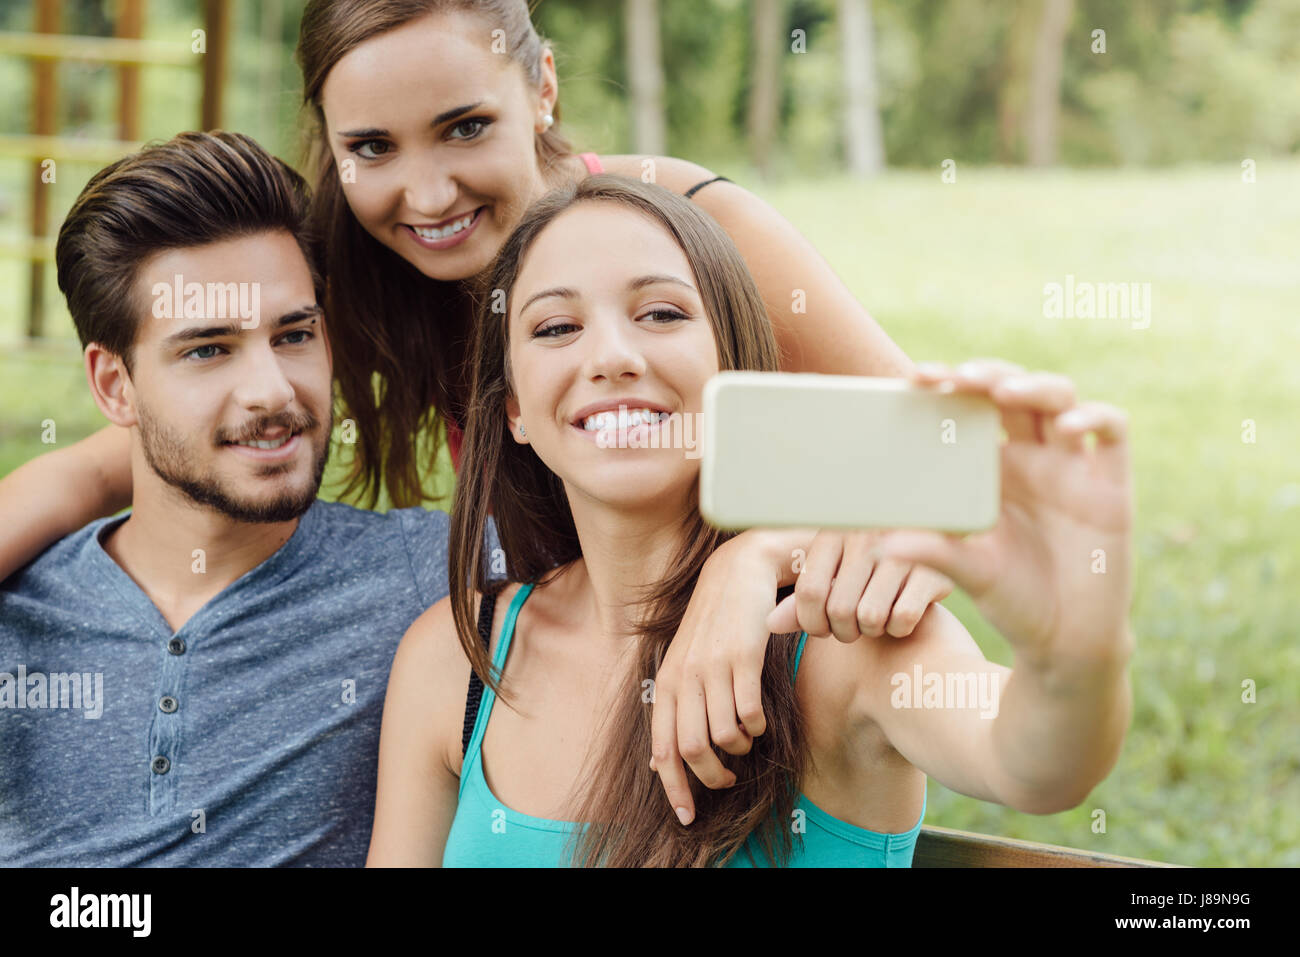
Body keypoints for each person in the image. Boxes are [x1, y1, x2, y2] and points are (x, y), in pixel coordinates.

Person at [0, 2, 956, 742]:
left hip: (776, 686)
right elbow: (120, 453)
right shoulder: (383, 275)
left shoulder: (684, 229)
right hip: (578, 716)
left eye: (464, 127)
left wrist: (754, 562)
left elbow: (942, 455)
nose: (427, 192)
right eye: (372, 147)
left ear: (542, 87)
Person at [366, 176, 1136, 866]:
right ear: (515, 411)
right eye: (556, 328)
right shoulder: (453, 659)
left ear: (736, 371)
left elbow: (1037, 760)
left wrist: (1071, 652)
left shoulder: (837, 635)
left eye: (661, 312)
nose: (611, 356)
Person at [1, 130, 476, 865]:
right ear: (113, 385)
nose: (273, 391)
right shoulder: (19, 611)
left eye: (293, 335)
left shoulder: (429, 578)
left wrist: (731, 565)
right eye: (208, 349)